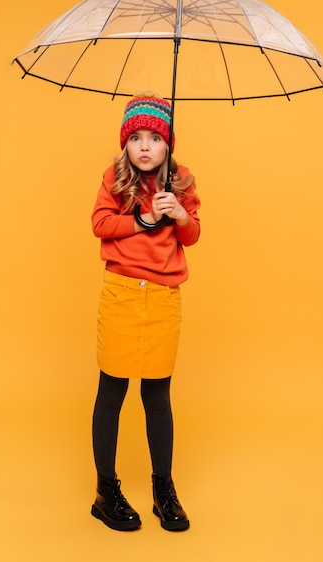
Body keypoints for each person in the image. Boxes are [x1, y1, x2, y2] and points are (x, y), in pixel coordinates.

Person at [90, 93, 201, 532]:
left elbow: (193, 236)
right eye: (135, 137)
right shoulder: (114, 181)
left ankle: (163, 487)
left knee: (157, 397)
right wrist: (143, 219)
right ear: (125, 145)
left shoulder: (183, 183)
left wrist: (178, 215)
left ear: (167, 144)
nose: (144, 146)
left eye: (154, 138)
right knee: (112, 392)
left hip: (162, 298)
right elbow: (100, 224)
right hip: (121, 295)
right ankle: (105, 491)